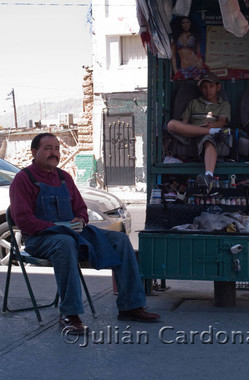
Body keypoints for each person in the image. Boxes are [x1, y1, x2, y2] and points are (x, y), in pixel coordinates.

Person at [9, 133, 160, 334]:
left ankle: (131, 306)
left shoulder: (64, 178)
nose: (54, 153)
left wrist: (80, 219)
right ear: (34, 152)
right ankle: (69, 315)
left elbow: (80, 209)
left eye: (56, 148)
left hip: (72, 235)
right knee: (64, 242)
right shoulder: (23, 179)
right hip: (40, 239)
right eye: (48, 148)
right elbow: (24, 221)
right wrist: (57, 226)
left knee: (120, 240)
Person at [167, 72, 231, 192]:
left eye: (211, 86)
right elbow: (184, 122)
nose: (208, 90)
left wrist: (213, 125)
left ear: (218, 87)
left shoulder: (223, 104)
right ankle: (213, 131)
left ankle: (208, 176)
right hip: (191, 133)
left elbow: (222, 122)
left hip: (207, 136)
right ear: (200, 89)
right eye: (204, 87)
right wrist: (197, 129)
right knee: (171, 124)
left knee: (208, 140)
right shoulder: (193, 103)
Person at [171, 16, 208, 80]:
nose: (186, 25)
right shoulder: (175, 38)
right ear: (180, 24)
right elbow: (173, 55)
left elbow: (198, 52)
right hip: (183, 67)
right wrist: (175, 70)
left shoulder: (194, 36)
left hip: (195, 65)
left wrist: (200, 61)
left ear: (191, 24)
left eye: (188, 22)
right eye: (183, 22)